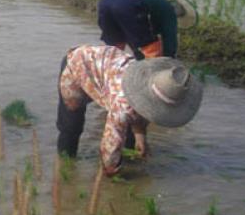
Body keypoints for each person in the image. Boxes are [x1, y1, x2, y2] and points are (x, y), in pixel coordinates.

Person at [56, 44, 202, 176]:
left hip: (106, 69)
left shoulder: (151, 79)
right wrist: (110, 172)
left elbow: (145, 109)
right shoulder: (123, 106)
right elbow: (110, 144)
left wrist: (140, 135)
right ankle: (65, 166)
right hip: (77, 65)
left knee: (129, 133)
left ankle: (129, 160)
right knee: (71, 127)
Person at [97, 0, 198, 59]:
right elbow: (169, 38)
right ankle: (153, 76)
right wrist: (169, 59)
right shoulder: (169, 11)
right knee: (152, 49)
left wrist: (138, 54)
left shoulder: (154, 1)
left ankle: (107, 73)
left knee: (115, 47)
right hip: (128, 3)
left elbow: (133, 33)